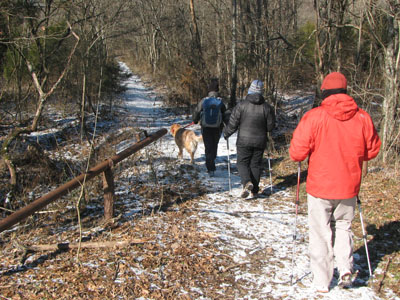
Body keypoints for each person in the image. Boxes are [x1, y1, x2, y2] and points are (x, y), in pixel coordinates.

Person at [289, 72, 381, 293]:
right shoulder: (362, 117)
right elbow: (372, 150)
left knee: (320, 231)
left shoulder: (314, 116)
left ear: (325, 92)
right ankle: (346, 270)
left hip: (320, 187)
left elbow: (296, 153)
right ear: (345, 91)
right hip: (348, 185)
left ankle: (322, 281)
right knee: (343, 227)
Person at [223, 79, 275, 198]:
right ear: (262, 92)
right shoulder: (267, 107)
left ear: (250, 90)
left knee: (242, 163)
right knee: (255, 165)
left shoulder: (241, 105)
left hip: (243, 141)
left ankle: (246, 182)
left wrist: (226, 133)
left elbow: (233, 123)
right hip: (260, 140)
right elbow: (270, 126)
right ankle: (255, 190)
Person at [193, 78, 228, 176]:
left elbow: (197, 111)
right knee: (214, 144)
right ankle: (212, 159)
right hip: (217, 127)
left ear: (209, 90)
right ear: (217, 90)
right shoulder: (220, 101)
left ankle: (210, 168)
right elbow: (225, 114)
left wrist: (195, 120)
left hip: (206, 127)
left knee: (208, 146)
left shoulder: (204, 101)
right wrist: (228, 125)